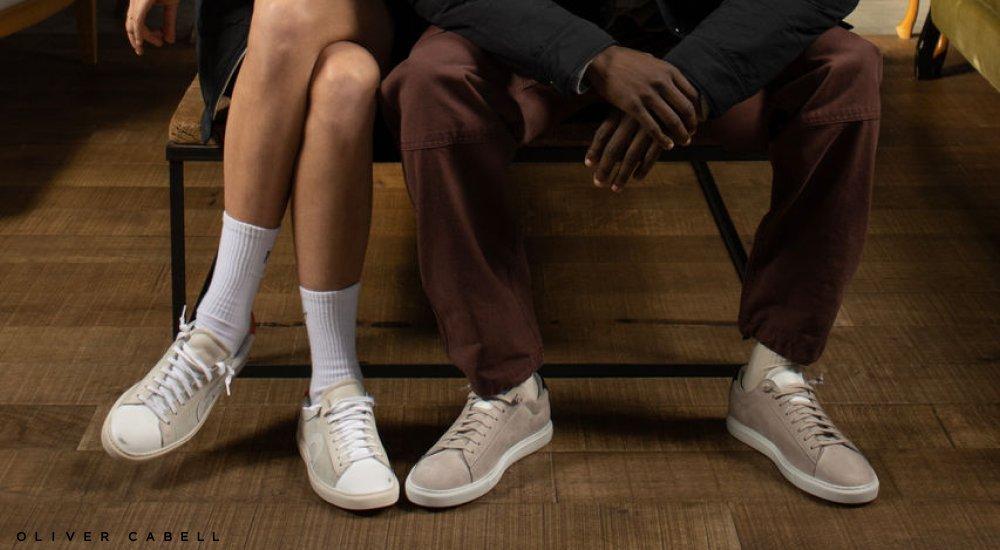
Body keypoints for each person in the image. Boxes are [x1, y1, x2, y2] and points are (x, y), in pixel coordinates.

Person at [382, 0, 883, 506]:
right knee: (434, 80)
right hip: (532, 30)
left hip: (712, 28)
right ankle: (505, 385)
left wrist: (695, 75)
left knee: (846, 68)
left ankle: (775, 371)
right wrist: (592, 57)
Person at [101, 0, 400, 510]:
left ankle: (218, 328)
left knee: (289, 11)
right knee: (343, 80)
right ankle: (334, 383)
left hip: (391, 14)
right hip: (259, 25)